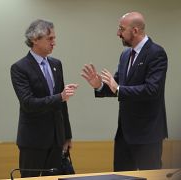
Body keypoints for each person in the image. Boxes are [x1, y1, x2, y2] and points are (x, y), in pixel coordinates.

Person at [81, 12, 168, 171]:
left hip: (147, 134)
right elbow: (116, 86)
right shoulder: (125, 54)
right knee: (120, 175)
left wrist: (118, 88)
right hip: (124, 134)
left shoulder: (156, 53)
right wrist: (99, 85)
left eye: (121, 29)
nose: (118, 33)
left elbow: (152, 90)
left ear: (135, 31)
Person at [10, 19, 78, 178]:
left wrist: (67, 135)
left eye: (54, 38)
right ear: (34, 39)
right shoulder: (20, 68)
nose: (54, 42)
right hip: (33, 141)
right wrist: (60, 96)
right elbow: (28, 103)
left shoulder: (57, 64)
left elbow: (62, 105)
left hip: (56, 140)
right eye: (50, 39)